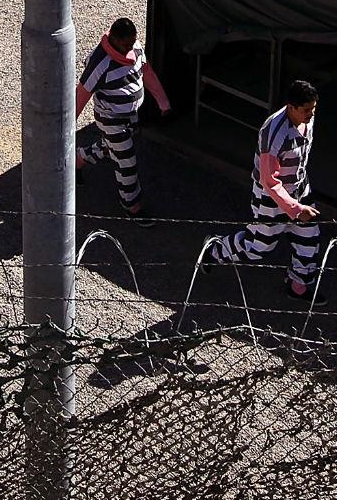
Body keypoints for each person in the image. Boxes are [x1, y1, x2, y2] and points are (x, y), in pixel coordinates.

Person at [203, 79, 324, 301]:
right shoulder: (274, 133)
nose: (311, 114)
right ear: (291, 106)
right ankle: (216, 250)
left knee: (309, 238)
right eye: (307, 110)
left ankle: (299, 285)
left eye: (314, 109)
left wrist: (299, 201)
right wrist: (295, 210)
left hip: (299, 189)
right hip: (271, 198)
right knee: (260, 247)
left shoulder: (307, 120)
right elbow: (270, 181)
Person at [75, 18, 173, 221]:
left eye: (132, 43)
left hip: (130, 117)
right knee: (127, 162)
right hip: (111, 119)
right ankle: (132, 206)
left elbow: (146, 72)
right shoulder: (100, 63)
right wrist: (67, 125)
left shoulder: (134, 47)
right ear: (114, 40)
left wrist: (162, 100)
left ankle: (77, 161)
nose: (130, 49)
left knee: (112, 148)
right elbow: (82, 94)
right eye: (126, 45)